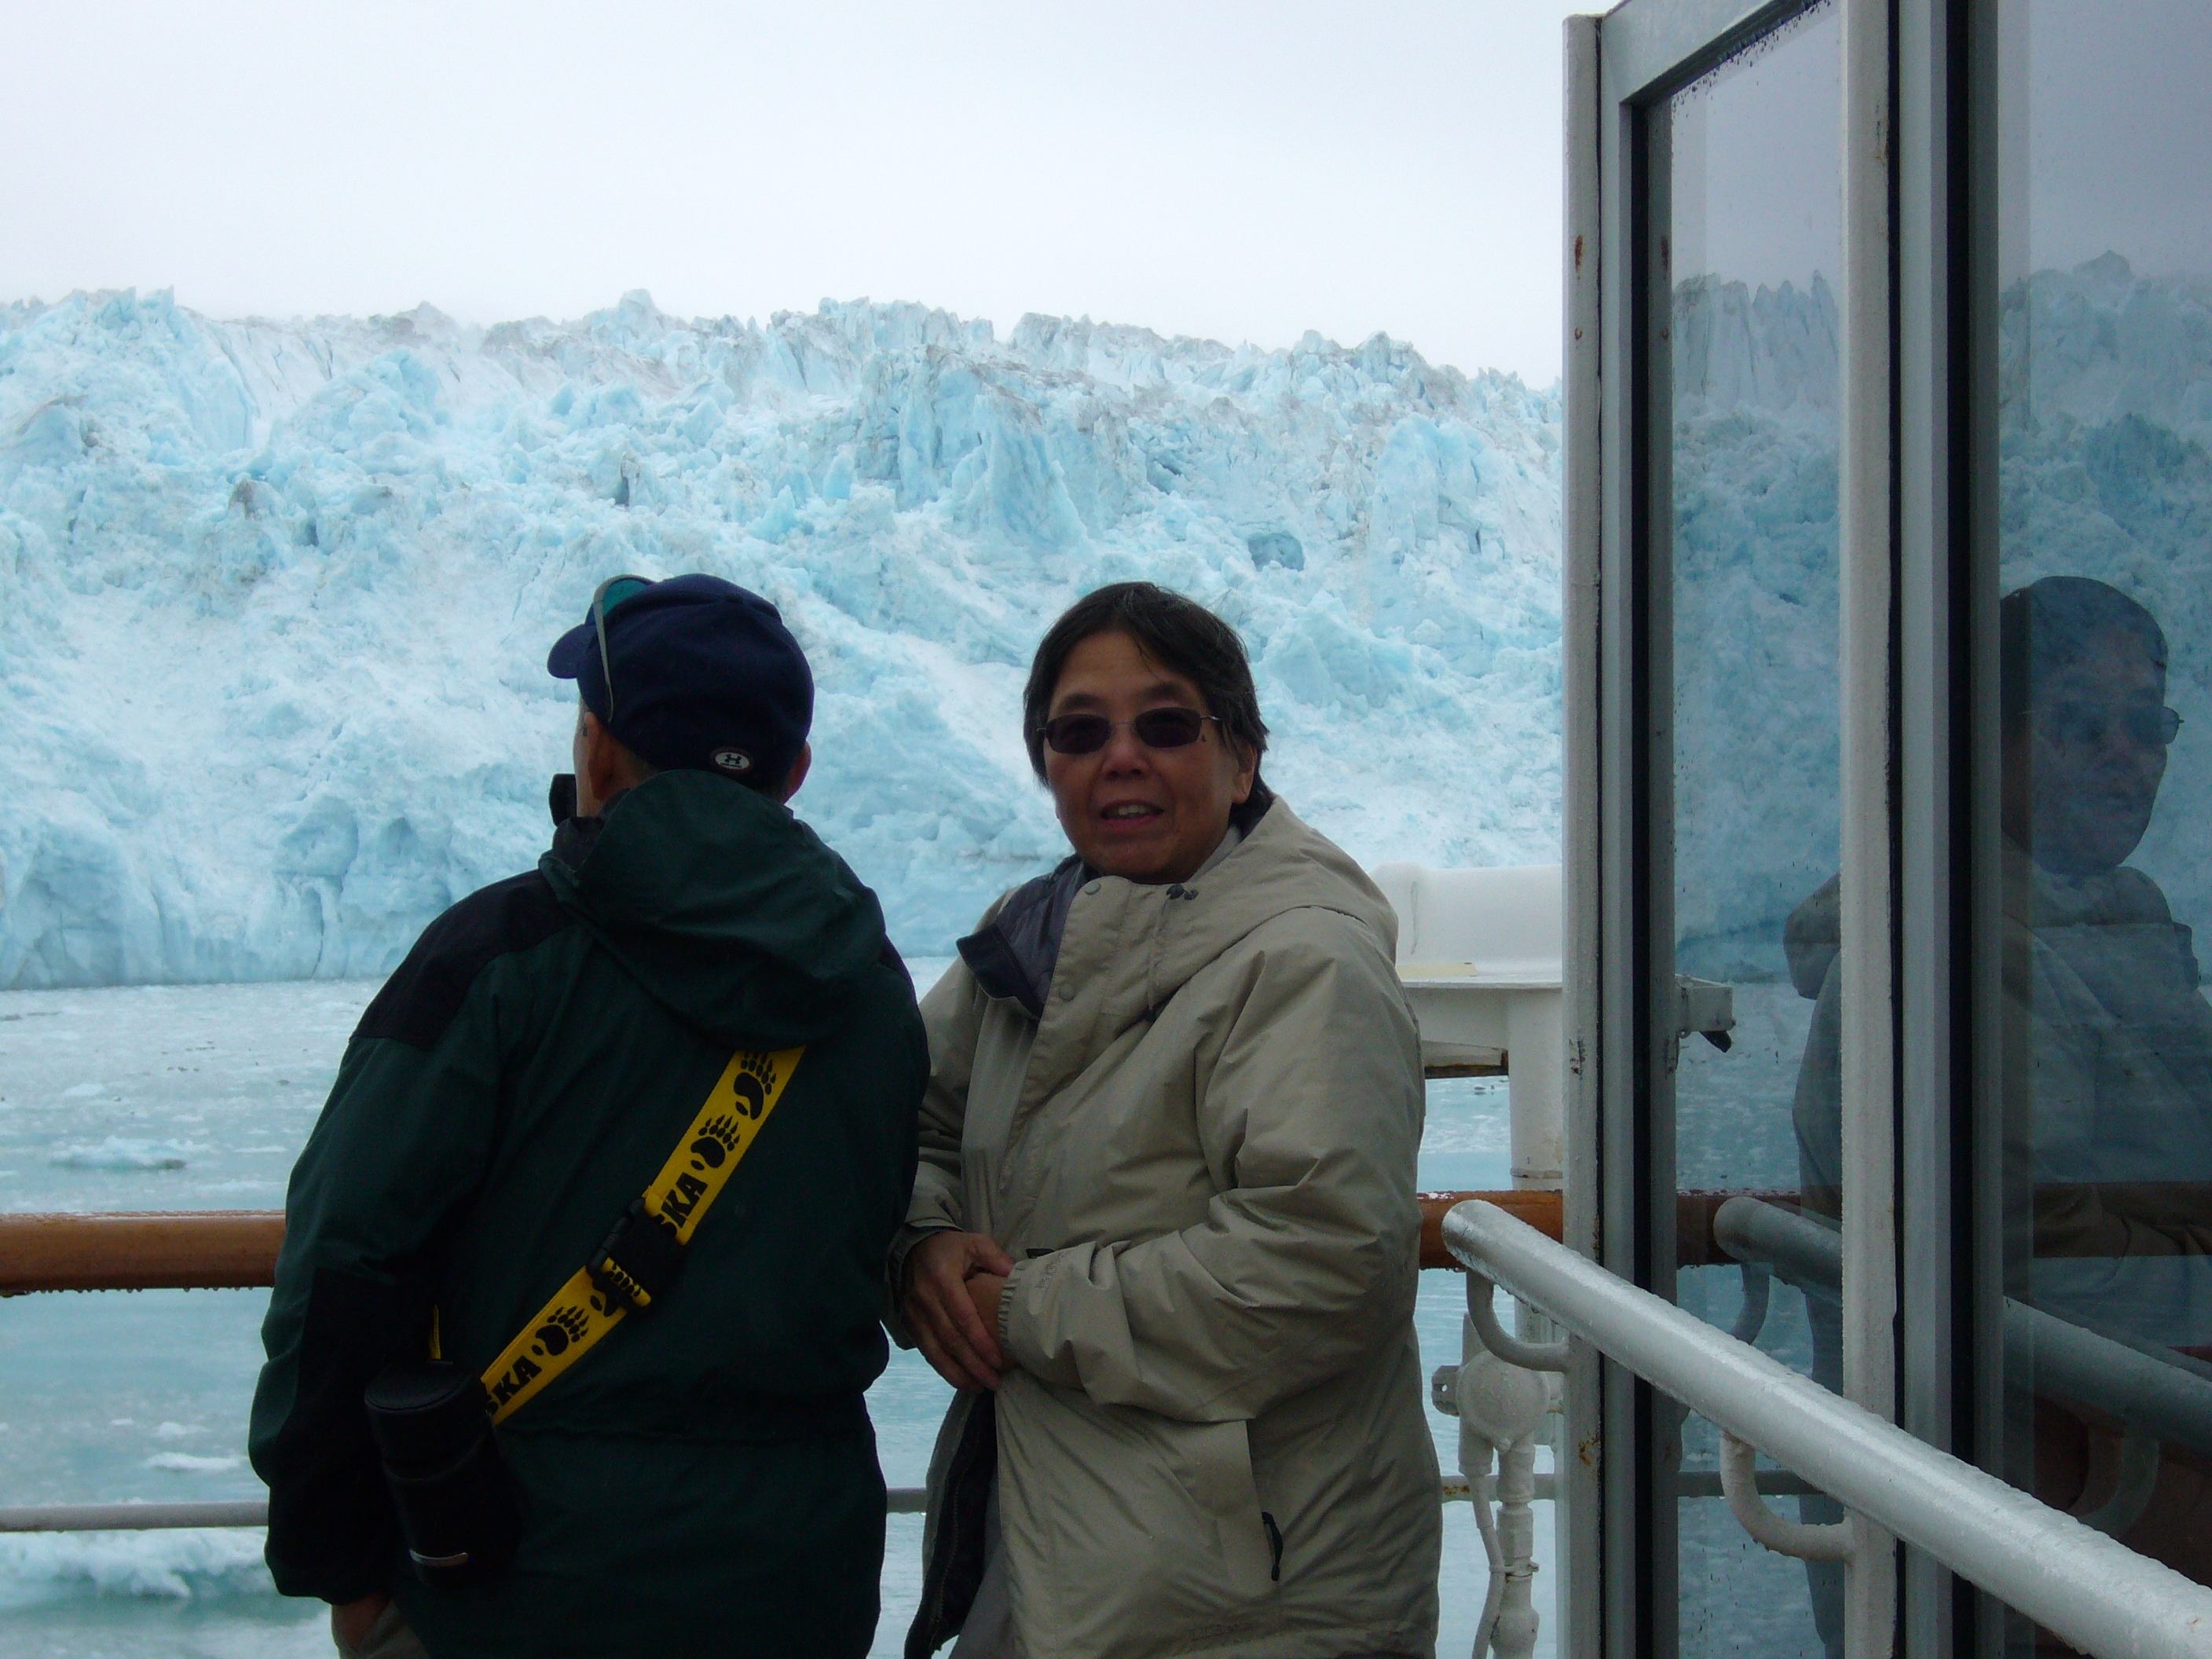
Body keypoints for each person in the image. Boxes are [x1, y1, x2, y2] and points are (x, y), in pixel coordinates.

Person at [249, 573, 927, 1658]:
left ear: (598, 752)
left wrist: (336, 1557)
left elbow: (346, 1260)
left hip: (517, 1579)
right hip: (797, 1577)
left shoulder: (495, 959)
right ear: (796, 771)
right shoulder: (874, 990)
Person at [895, 581, 1441, 1659]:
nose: (1121, 758)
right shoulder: (1032, 946)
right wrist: (921, 1247)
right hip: (1056, 1549)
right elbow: (907, 1127)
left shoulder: (1306, 963)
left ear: (1242, 759)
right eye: (1079, 732)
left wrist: (1021, 1307)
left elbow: (1322, 1266)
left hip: (1253, 1596)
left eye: (1166, 725)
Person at [1788, 575, 2212, 1654]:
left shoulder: (2119, 921)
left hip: (2103, 1498)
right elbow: (2028, 1257)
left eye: (2146, 723)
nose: (2124, 754)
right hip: (2027, 1517)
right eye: (2079, 721)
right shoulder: (1950, 948)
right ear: (1985, 741)